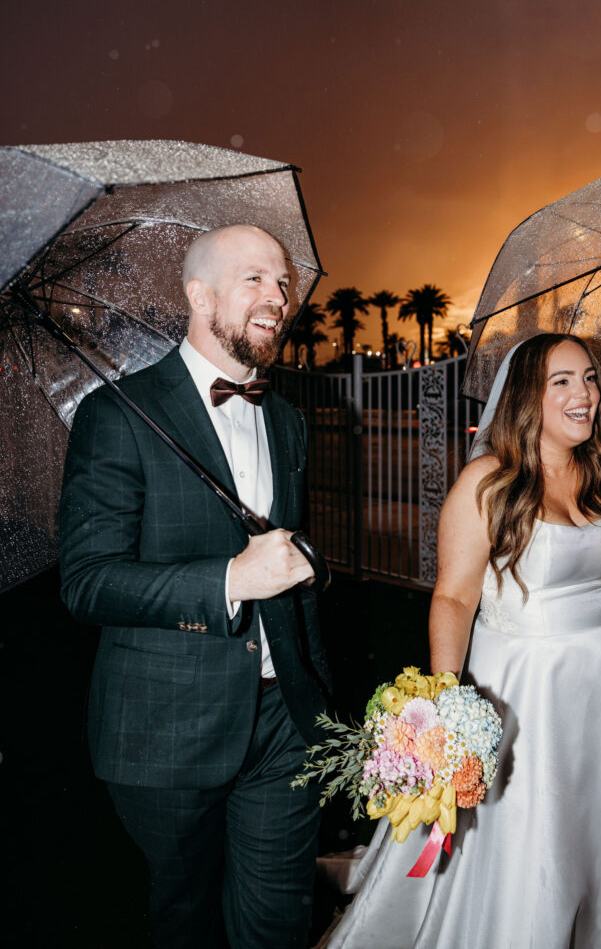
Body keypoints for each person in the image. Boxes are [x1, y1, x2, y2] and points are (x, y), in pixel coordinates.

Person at [321, 333, 601, 949]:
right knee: (530, 841)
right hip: (524, 686)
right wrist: (446, 704)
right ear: (525, 398)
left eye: (590, 379)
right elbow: (455, 597)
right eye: (561, 381)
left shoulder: (599, 473)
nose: (583, 395)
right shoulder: (488, 481)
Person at [59, 224, 331, 949]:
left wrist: (317, 695)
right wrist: (228, 579)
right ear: (197, 295)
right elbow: (87, 582)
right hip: (164, 730)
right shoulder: (117, 413)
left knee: (278, 922)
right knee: (184, 921)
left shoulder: (287, 419)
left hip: (283, 726)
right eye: (254, 280)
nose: (277, 297)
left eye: (282, 282)